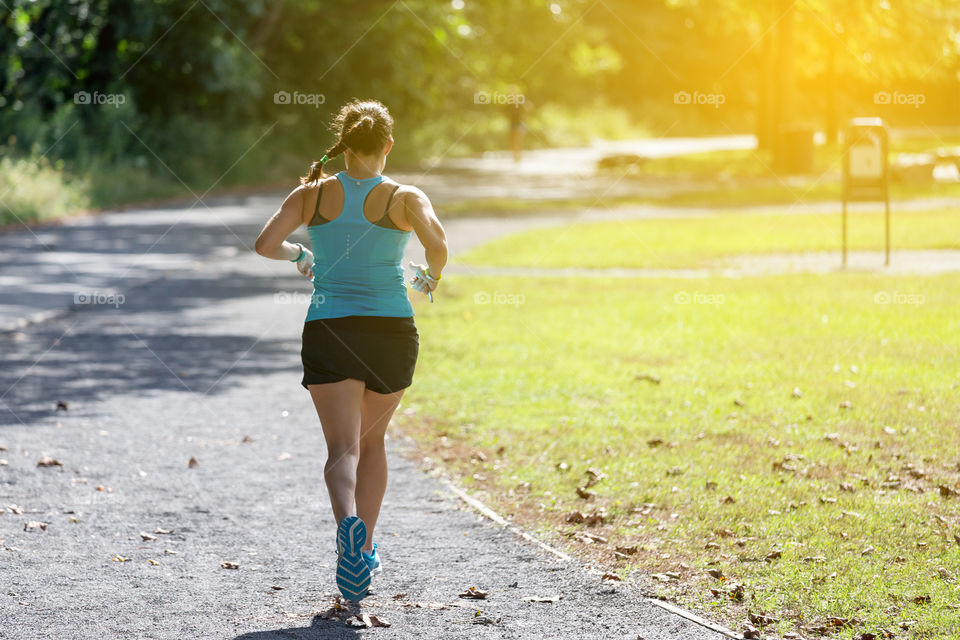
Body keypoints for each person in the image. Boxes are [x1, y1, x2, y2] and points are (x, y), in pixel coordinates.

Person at [254, 99, 447, 601]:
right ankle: (366, 549)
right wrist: (430, 277)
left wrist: (301, 253)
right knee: (374, 443)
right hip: (390, 332)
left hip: (329, 327)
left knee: (342, 449)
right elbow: (437, 244)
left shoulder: (311, 193)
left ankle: (348, 535)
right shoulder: (403, 196)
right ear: (387, 145)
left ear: (343, 146)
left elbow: (263, 245)